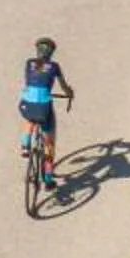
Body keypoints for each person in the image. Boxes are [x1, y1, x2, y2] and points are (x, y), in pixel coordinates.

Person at [21, 38, 76, 187]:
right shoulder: (54, 66)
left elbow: (32, 80)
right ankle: (47, 177)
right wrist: (69, 93)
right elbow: (63, 86)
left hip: (27, 103)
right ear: (51, 53)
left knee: (29, 118)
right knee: (49, 142)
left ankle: (25, 144)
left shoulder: (29, 63)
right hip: (44, 107)